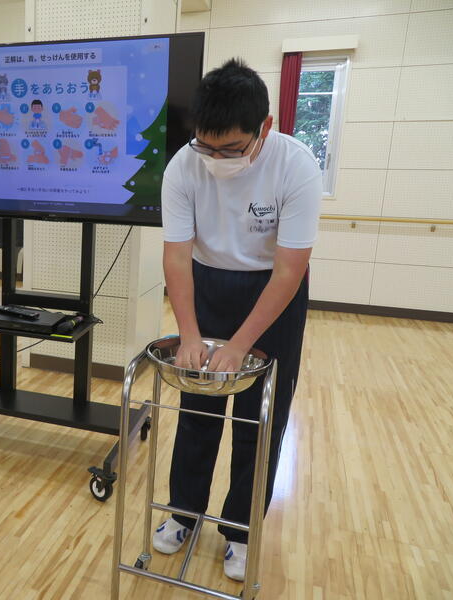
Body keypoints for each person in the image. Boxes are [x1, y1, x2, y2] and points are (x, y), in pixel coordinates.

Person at [154, 58, 322, 581]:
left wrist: (240, 344)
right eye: (207, 147)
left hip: (273, 292)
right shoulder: (184, 165)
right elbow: (177, 256)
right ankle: (183, 513)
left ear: (264, 127)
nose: (216, 160)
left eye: (231, 149)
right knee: (198, 407)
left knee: (260, 417)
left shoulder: (296, 165)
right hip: (207, 284)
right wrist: (189, 334)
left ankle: (240, 531)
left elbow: (290, 269)